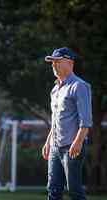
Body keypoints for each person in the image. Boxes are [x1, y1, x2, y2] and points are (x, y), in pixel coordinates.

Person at [42, 47, 92, 200]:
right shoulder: (55, 90)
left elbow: (86, 121)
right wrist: (48, 142)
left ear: (70, 63)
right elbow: (55, 121)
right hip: (55, 148)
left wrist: (78, 142)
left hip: (72, 147)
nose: (54, 65)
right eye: (52, 63)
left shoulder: (79, 86)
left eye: (57, 62)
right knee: (53, 189)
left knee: (74, 190)